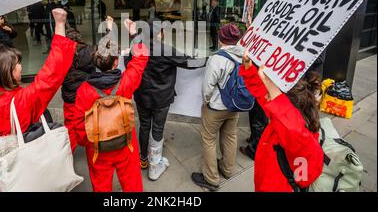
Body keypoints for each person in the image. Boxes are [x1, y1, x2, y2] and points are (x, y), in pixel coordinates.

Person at [0, 8, 76, 192]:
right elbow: (50, 76)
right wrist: (60, 25)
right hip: (27, 173)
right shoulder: (18, 102)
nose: (21, 67)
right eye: (17, 65)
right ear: (7, 73)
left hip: (1, 176)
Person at [64, 17, 149, 192]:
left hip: (97, 149)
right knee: (132, 184)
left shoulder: (84, 90)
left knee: (101, 186)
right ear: (116, 62)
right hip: (126, 144)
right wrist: (134, 33)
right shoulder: (126, 82)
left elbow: (79, 127)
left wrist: (89, 142)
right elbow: (141, 58)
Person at [127, 19, 206, 181]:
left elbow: (128, 65)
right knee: (157, 128)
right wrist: (211, 59)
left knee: (144, 126)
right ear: (159, 33)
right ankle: (154, 167)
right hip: (161, 98)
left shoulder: (137, 47)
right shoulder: (166, 49)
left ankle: (143, 160)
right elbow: (191, 62)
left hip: (142, 96)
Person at [239, 54, 324, 192]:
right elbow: (261, 93)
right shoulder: (282, 117)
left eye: (272, 95)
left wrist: (272, 89)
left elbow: (293, 130)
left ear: (287, 104)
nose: (267, 97)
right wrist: (248, 67)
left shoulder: (302, 139)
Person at [191, 23, 243, 191]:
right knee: (230, 136)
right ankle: (227, 169)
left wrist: (206, 102)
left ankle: (211, 178)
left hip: (216, 107)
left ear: (221, 39)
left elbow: (207, 87)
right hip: (235, 105)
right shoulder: (245, 56)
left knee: (208, 139)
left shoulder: (216, 59)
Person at [62, 27, 96, 119]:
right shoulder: (90, 51)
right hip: (88, 95)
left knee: (71, 125)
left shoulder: (62, 55)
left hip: (70, 99)